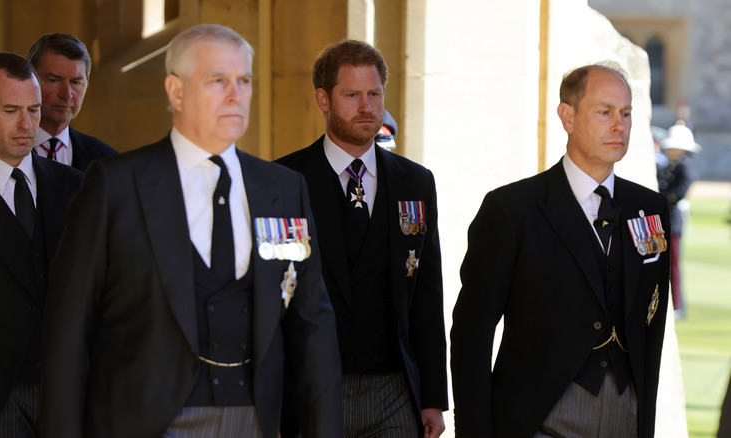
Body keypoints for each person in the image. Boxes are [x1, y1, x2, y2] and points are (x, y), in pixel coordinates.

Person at [39, 24, 342, 438]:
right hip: (143, 423)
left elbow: (314, 328)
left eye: (244, 81)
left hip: (258, 421)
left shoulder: (285, 189)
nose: (236, 95)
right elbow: (68, 331)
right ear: (175, 91)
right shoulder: (115, 184)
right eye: (217, 81)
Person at [451, 63, 671, 437]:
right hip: (538, 419)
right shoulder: (511, 210)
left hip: (626, 417)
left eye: (626, 113)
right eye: (605, 112)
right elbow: (471, 333)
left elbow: (653, 325)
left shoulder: (649, 207)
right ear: (567, 117)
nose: (620, 124)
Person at [276, 40, 448, 438]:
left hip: (394, 392)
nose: (366, 106)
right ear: (324, 99)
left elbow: (426, 294)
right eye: (352, 95)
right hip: (310, 391)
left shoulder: (416, 182)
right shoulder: (284, 182)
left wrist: (433, 397)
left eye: (374, 94)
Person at [0, 52, 83, 438]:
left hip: (70, 398)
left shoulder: (78, 189)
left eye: (35, 110)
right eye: (11, 110)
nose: (27, 124)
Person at [0, 33, 116, 170]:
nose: (67, 94)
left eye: (76, 82)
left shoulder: (106, 158)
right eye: (54, 80)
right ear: (30, 80)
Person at [657, 122, 700, 319]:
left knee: (673, 263)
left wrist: (661, 197)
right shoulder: (669, 166)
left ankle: (677, 305)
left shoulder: (684, 167)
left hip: (674, 221)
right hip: (665, 220)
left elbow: (678, 192)